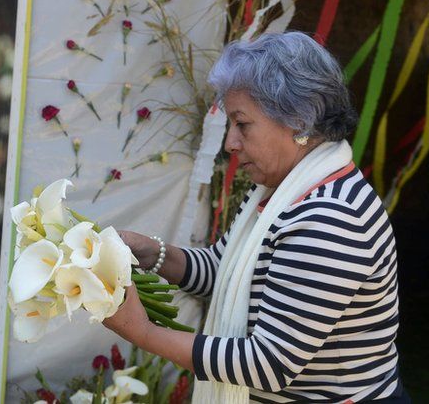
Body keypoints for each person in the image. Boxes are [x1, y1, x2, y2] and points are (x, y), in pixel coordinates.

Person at [104, 32, 407, 403]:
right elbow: (223, 271)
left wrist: (142, 333)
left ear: (298, 120)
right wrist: (151, 252)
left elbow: (270, 364)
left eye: (242, 124)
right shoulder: (279, 189)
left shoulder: (330, 216)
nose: (230, 142)